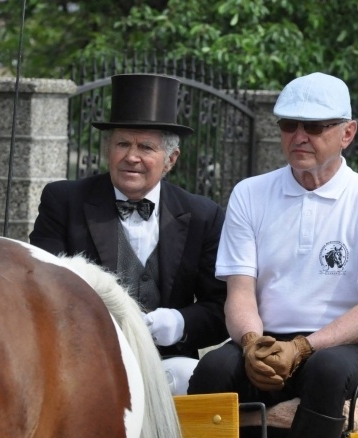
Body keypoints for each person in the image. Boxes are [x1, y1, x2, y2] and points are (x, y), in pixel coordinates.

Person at [187, 72, 358, 438]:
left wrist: (303, 347)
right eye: (289, 125)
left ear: (348, 132)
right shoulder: (250, 193)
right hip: (265, 342)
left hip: (344, 348)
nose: (299, 136)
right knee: (210, 371)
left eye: (315, 126)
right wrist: (251, 344)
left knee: (325, 371)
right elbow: (239, 293)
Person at [29, 73, 228, 395]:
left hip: (164, 364)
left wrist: (179, 322)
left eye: (146, 147)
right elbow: (42, 285)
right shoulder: (63, 201)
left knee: (194, 378)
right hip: (81, 360)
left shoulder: (203, 215)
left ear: (170, 160)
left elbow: (221, 307)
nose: (131, 156)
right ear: (108, 149)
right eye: (123, 143)